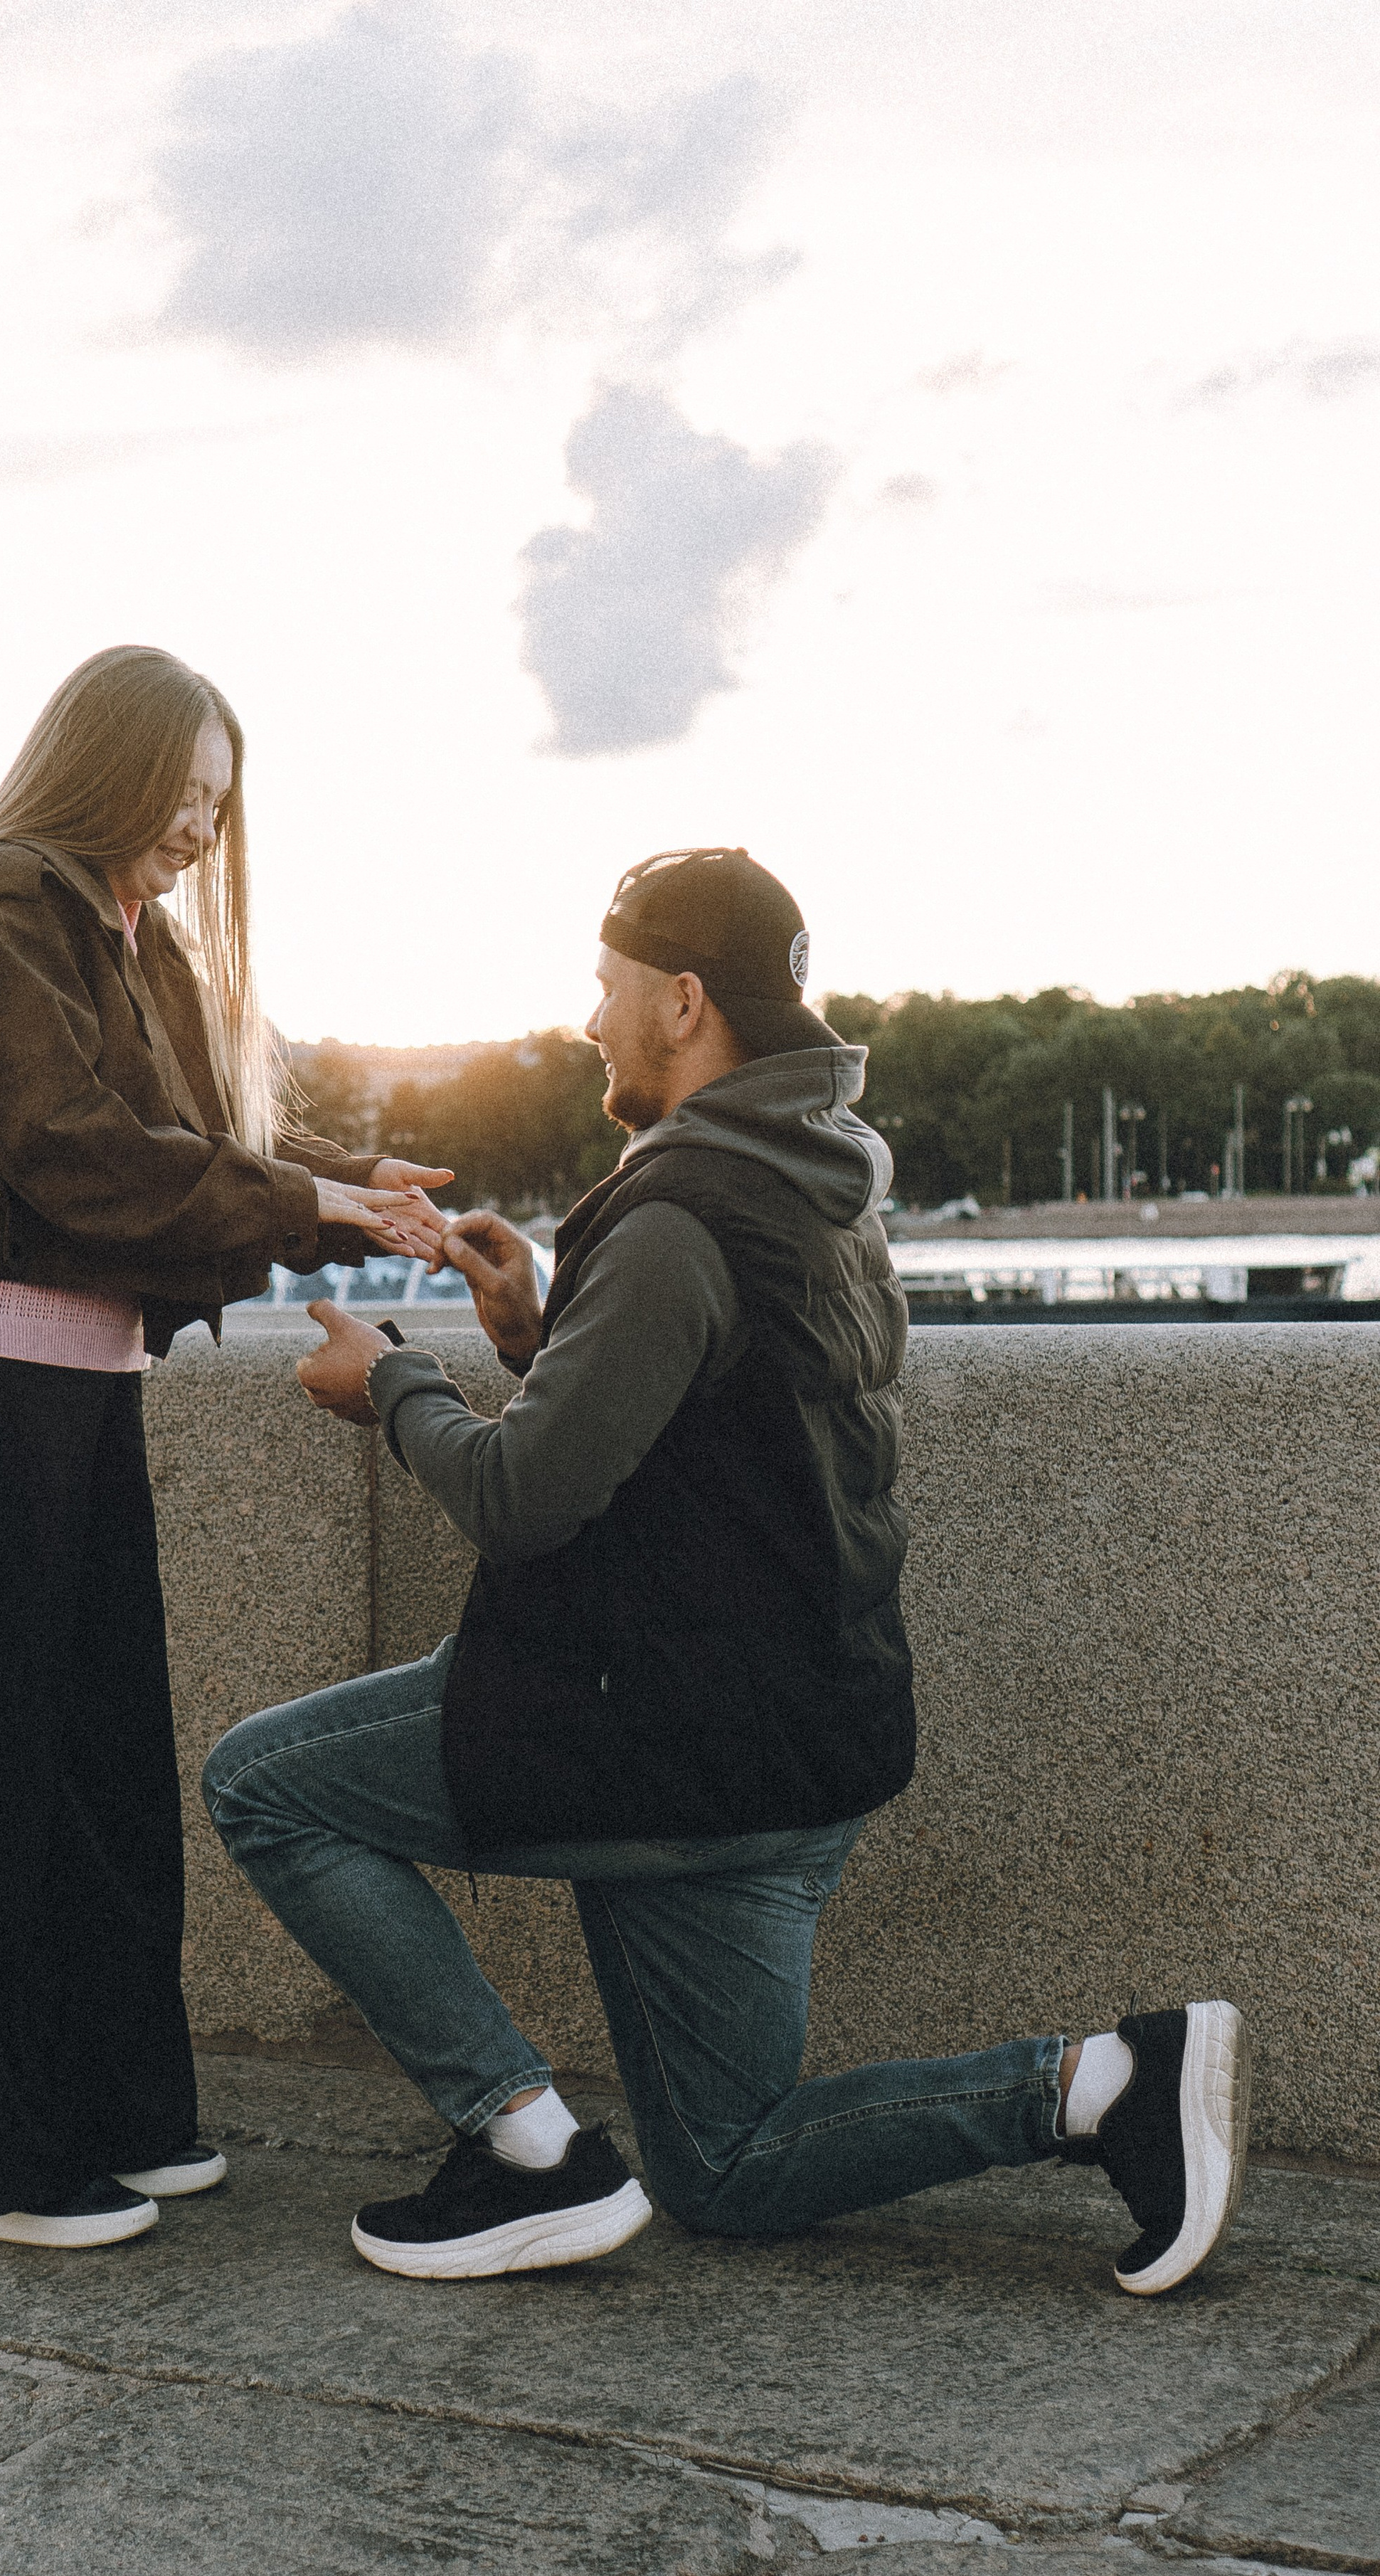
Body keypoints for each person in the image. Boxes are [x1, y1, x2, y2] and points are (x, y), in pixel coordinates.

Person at [203, 848, 1250, 2292]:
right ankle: (1100, 2086)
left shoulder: (678, 1207)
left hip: (659, 1735)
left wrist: (391, 1383)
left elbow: (524, 1500)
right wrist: (535, 1331)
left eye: (605, 984)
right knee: (725, 2165)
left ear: (681, 1000)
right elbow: (716, 1427)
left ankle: (521, 2149)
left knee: (260, 1784)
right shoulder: (819, 1186)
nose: (586, 1020)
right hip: (799, 1743)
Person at [0, 645, 447, 2250]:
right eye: (182, 791)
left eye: (218, 805)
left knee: (96, 1766)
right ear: (101, 765)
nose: (198, 828)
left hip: (58, 1386)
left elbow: (203, 1145)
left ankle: (114, 2114)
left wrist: (358, 1187)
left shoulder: (119, 929)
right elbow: (73, 1155)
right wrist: (313, 1204)